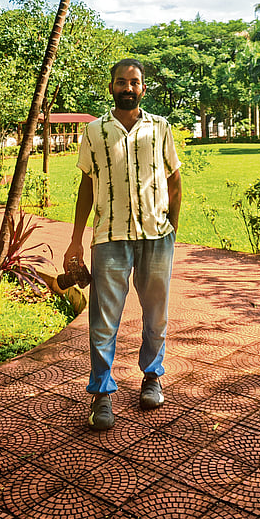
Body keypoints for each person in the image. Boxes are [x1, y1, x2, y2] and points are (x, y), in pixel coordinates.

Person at [64, 58, 182, 431]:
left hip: (155, 237)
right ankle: (101, 394)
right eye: (121, 82)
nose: (127, 88)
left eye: (134, 82)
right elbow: (86, 184)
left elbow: (175, 179)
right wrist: (75, 241)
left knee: (156, 316)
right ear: (111, 87)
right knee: (102, 322)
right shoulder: (94, 131)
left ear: (143, 88)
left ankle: (152, 376)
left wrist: (172, 229)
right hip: (109, 239)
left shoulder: (160, 128)